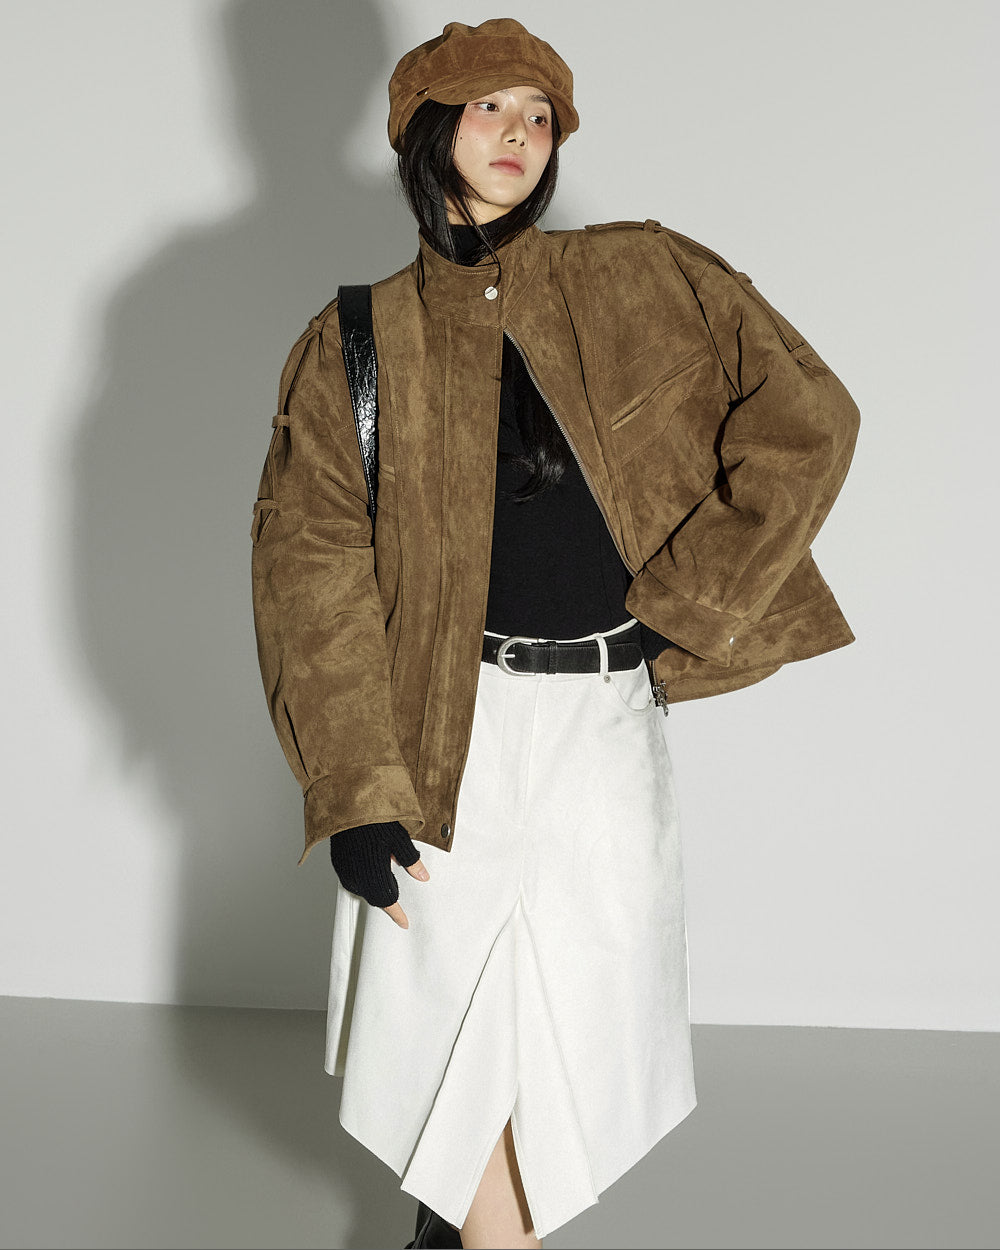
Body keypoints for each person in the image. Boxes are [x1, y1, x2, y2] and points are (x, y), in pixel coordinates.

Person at [250, 17, 860, 1249]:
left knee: (579, 1039)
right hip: (441, 736)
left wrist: (689, 600)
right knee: (445, 1047)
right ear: (428, 130)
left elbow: (808, 418)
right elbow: (310, 571)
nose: (519, 132)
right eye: (489, 107)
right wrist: (357, 790)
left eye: (539, 114)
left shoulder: (643, 273)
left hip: (600, 726)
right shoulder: (355, 340)